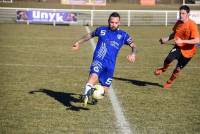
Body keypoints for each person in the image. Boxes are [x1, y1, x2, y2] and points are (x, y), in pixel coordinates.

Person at [72, 12, 137, 106]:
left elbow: (134, 45)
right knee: (93, 76)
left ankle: (92, 93)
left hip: (110, 65)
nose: (113, 24)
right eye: (111, 22)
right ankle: (85, 95)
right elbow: (90, 35)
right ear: (108, 21)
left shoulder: (123, 35)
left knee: (104, 90)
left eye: (116, 22)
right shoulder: (101, 30)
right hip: (99, 60)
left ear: (119, 23)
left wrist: (133, 53)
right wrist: (78, 42)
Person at [154, 5, 200, 89]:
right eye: (180, 13)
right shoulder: (178, 22)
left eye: (183, 13)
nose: (181, 15)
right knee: (168, 59)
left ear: (188, 14)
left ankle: (169, 81)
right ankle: (163, 69)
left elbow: (197, 40)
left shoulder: (192, 25)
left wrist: (182, 41)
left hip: (188, 52)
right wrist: (166, 39)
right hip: (178, 47)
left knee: (178, 69)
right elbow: (174, 34)